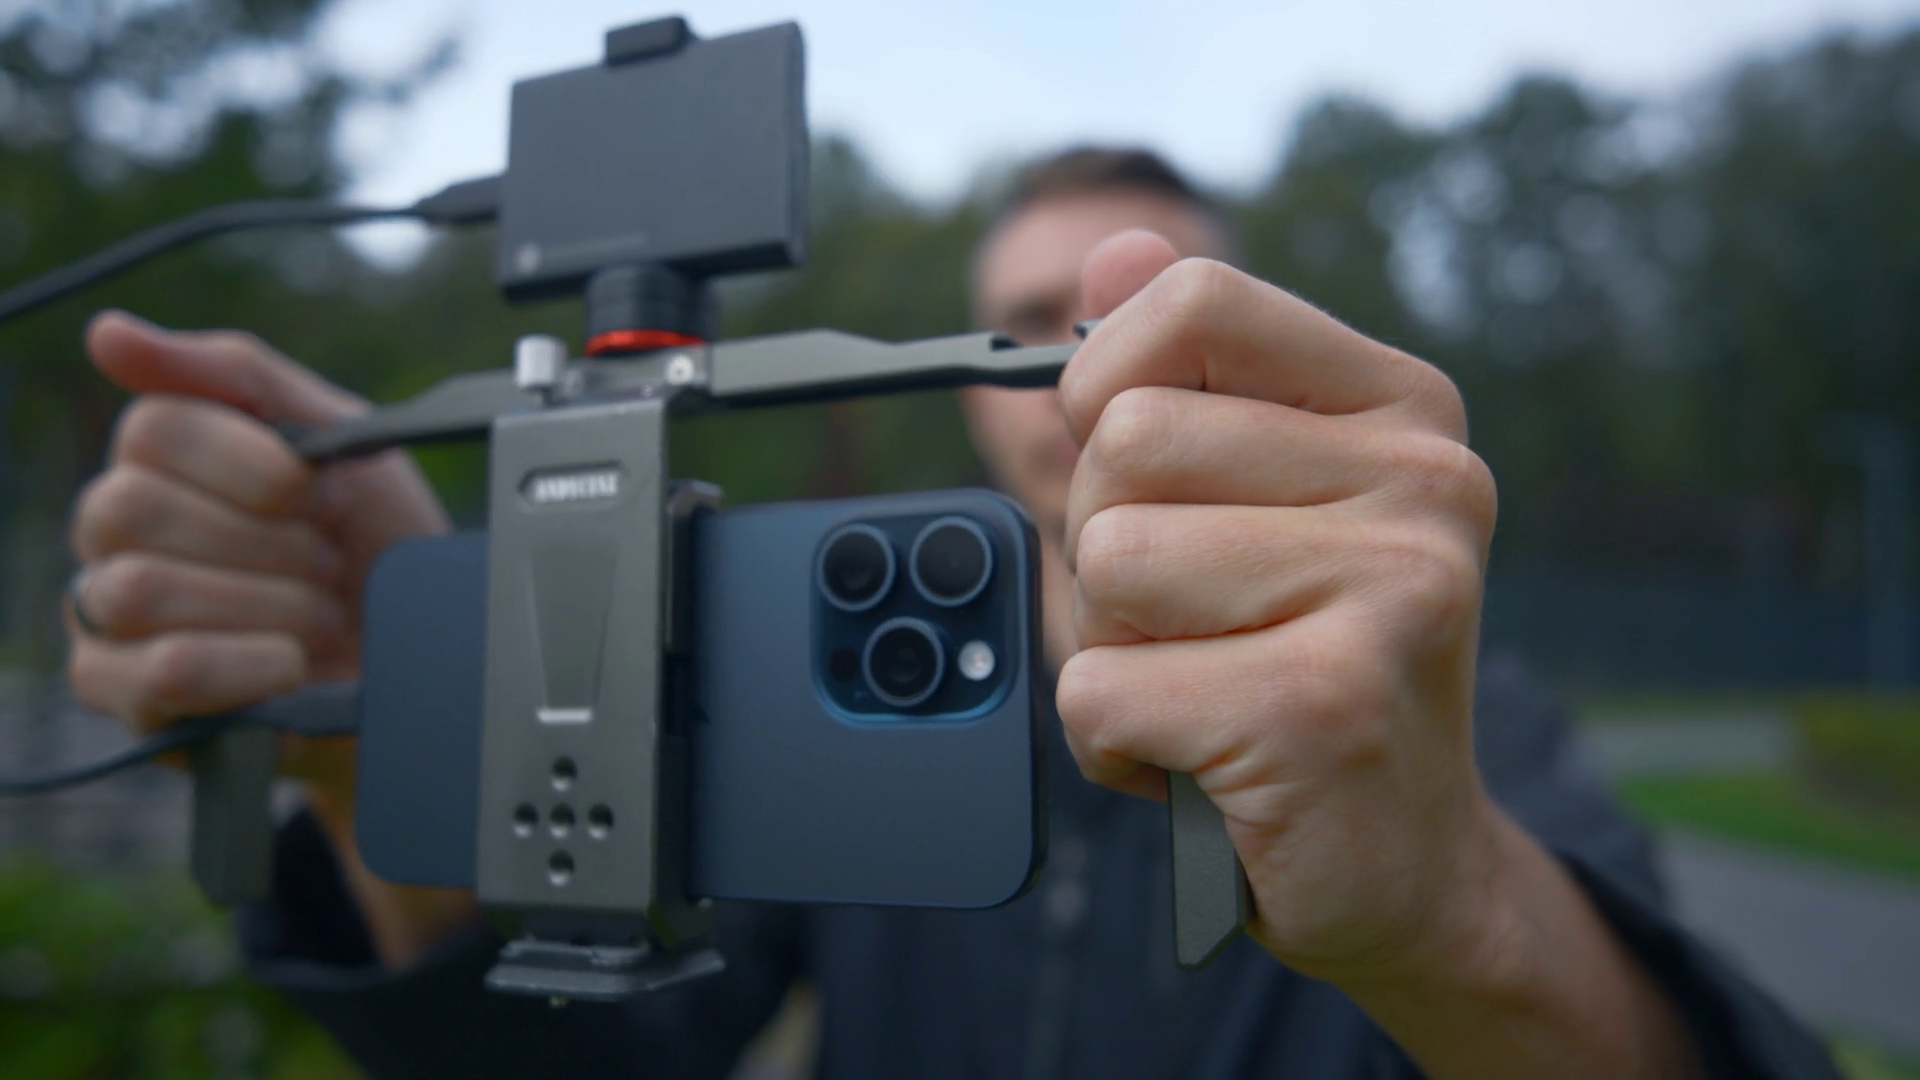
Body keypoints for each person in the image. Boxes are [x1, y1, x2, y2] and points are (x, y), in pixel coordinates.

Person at [62, 147, 1838, 1078]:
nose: (1081, 361)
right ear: (972, 386)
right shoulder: (787, 696)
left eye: (1133, 310)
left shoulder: (1435, 718)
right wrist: (391, 764)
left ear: (1246, 343)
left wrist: (1457, 912)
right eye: (1026, 320)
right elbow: (601, 1058)